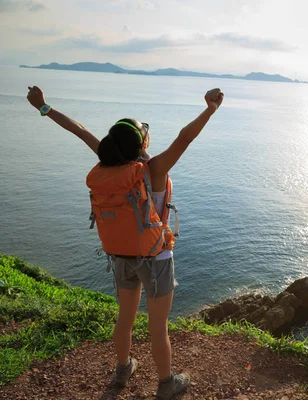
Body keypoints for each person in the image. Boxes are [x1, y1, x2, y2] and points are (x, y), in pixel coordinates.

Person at [26, 85, 224, 400]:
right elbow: (184, 138)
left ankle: (123, 368)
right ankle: (166, 384)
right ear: (143, 142)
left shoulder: (108, 165)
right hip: (155, 257)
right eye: (144, 131)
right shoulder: (153, 169)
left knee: (125, 318)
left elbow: (79, 130)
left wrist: (44, 106)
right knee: (158, 328)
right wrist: (210, 110)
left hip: (120, 255)